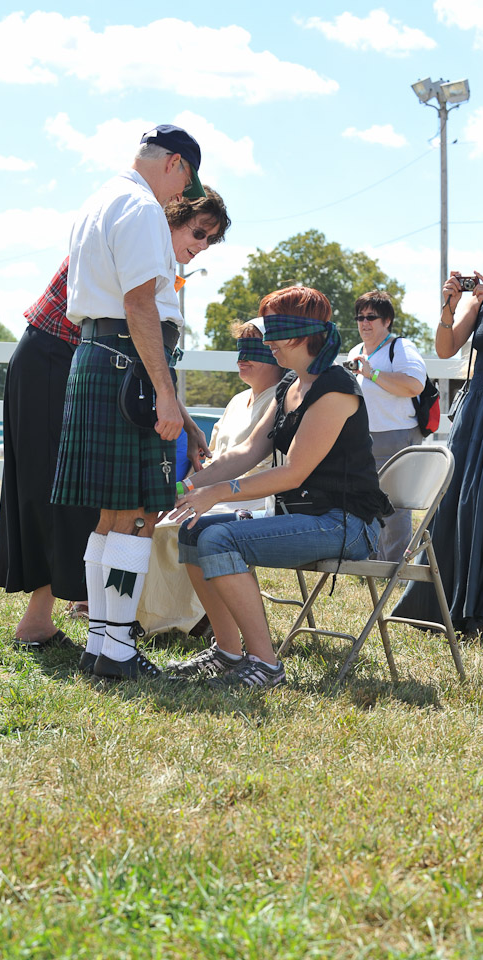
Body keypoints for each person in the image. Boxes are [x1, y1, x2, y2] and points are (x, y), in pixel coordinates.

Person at [0, 183, 229, 649]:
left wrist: (183, 414)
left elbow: (146, 352)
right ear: (171, 214)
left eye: (210, 240)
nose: (202, 246)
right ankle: (55, 620)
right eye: (198, 232)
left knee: (101, 500)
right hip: (56, 358)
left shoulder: (154, 253)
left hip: (98, 366)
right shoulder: (137, 234)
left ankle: (98, 620)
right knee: (61, 495)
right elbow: (133, 326)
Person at [165, 285, 394, 690]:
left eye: (272, 331)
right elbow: (248, 451)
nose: (266, 341)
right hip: (306, 517)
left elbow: (293, 474)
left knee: (218, 539)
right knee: (192, 532)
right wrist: (186, 486)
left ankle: (266, 666)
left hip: (345, 524)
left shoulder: (335, 389)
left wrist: (217, 493)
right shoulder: (291, 383)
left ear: (298, 335)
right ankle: (228, 652)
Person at [51, 123, 211, 681]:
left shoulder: (99, 200)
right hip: (129, 363)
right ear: (175, 164)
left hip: (99, 357)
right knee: (139, 514)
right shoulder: (142, 207)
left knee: (111, 516)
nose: (180, 197)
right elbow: (140, 303)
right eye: (184, 184)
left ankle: (102, 642)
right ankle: (116, 648)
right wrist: (166, 392)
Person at [393, 222, 483, 640]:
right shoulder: (479, 302)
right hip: (478, 408)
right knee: (462, 499)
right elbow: (445, 349)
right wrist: (450, 305)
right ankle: (450, 606)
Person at [136, 319, 285, 636]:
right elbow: (212, 459)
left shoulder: (282, 399)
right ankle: (152, 617)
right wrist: (183, 491)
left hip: (252, 496)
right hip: (213, 491)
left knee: (180, 527)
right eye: (240, 348)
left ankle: (191, 619)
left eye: (253, 349)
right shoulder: (236, 401)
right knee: (156, 523)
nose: (242, 357)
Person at [347, 290, 426, 562]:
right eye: (360, 317)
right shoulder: (356, 351)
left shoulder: (400, 348)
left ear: (387, 320)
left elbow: (415, 384)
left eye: (371, 317)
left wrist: (373, 374)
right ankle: (370, 564)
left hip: (396, 436)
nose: (364, 323)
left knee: (394, 507)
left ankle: (393, 568)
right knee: (364, 501)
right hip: (362, 438)